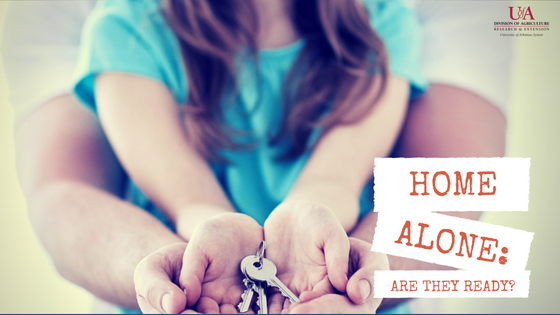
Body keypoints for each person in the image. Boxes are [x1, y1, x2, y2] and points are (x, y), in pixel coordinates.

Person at [1, 0, 510, 313]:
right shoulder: (124, 31)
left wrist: (319, 232)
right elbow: (186, 195)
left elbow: (334, 180)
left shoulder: (384, 27)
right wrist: (212, 234)